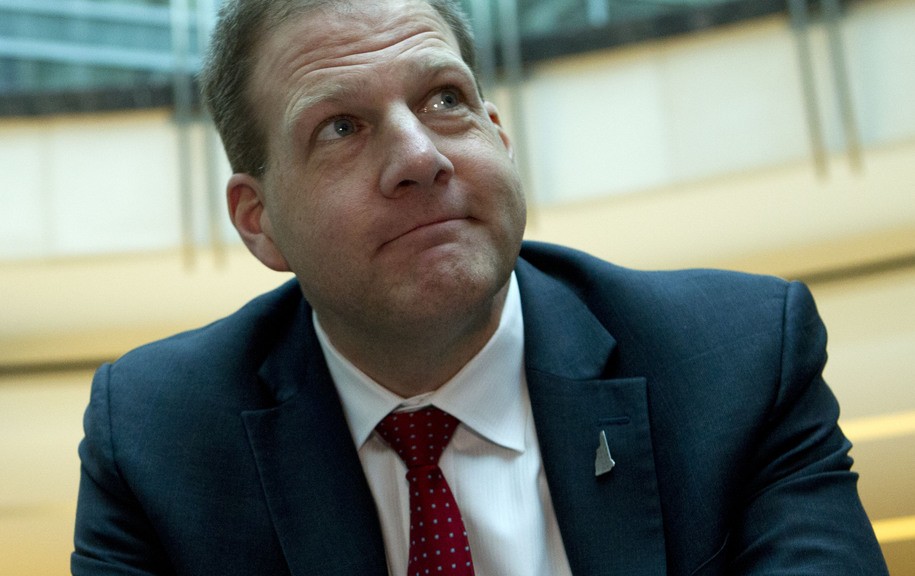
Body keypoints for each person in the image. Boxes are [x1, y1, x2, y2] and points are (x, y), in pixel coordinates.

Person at [71, 0, 889, 574]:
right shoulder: (157, 441)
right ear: (259, 221)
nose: (420, 157)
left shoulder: (738, 362)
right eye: (341, 128)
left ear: (498, 134)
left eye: (444, 100)